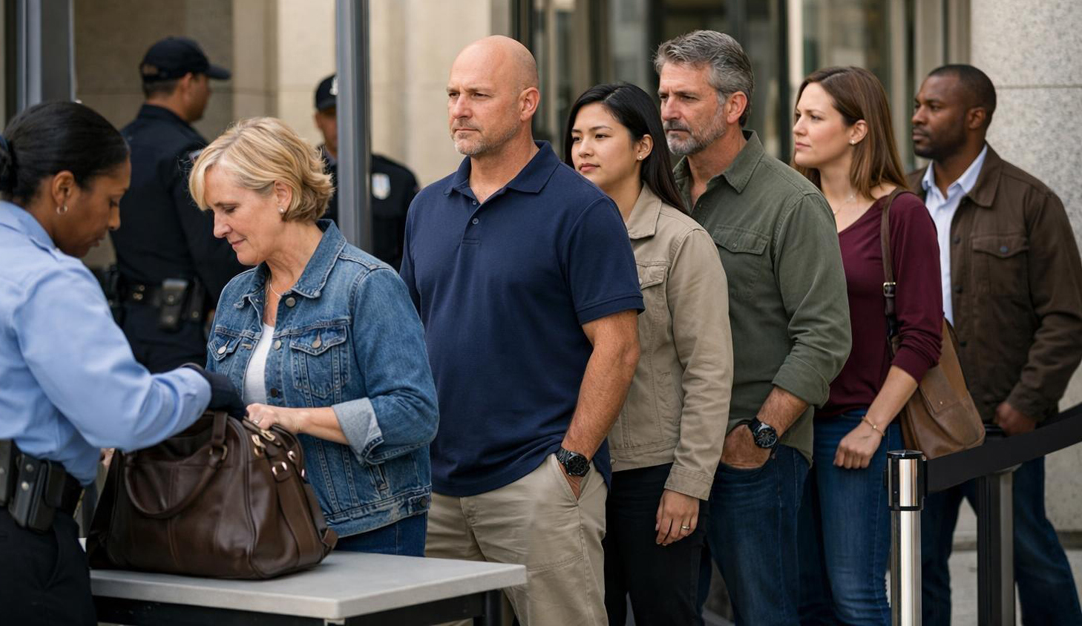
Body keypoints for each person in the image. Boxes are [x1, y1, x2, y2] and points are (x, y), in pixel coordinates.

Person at [0, 101, 242, 626]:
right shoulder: (50, 278)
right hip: (18, 538)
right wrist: (199, 384)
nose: (115, 221)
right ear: (62, 189)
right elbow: (122, 416)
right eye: (112, 200)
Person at [401, 36, 643, 625]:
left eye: (479, 95)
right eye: (454, 94)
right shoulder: (427, 207)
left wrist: (571, 465)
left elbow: (617, 347)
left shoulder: (581, 209)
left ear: (526, 102)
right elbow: (410, 333)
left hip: (538, 483)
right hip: (437, 487)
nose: (460, 108)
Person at [656, 30, 852, 624]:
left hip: (750, 454)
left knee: (764, 614)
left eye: (687, 97)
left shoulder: (792, 203)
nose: (668, 111)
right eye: (664, 95)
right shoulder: (653, 189)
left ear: (733, 105)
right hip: (662, 451)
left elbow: (825, 335)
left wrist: (761, 435)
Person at [190, 117, 439, 556]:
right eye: (213, 213)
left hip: (367, 531)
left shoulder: (366, 285)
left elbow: (415, 414)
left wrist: (297, 418)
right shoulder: (235, 296)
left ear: (281, 195)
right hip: (264, 529)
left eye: (229, 209)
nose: (218, 228)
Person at [909, 64, 1082, 626]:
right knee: (921, 561)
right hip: (919, 420)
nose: (917, 116)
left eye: (934, 106)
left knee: (1030, 554)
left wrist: (1027, 402)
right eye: (918, 104)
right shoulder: (901, 200)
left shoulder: (1031, 202)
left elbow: (1066, 315)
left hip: (1001, 424)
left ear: (975, 117)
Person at [564, 82, 733, 625]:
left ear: (642, 146)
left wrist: (688, 484)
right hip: (576, 462)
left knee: (668, 614)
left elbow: (709, 370)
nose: (583, 149)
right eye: (575, 137)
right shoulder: (560, 236)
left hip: (651, 471)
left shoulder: (682, 241)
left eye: (600, 135)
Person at [790, 66, 944, 625]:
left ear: (857, 130)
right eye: (798, 114)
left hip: (855, 425)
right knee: (806, 599)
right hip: (787, 424)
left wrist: (872, 426)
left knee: (856, 596)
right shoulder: (794, 206)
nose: (798, 128)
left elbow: (923, 337)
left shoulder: (900, 215)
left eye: (815, 117)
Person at [111, 36, 245, 373]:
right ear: (189, 82)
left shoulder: (119, 142)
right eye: (206, 82)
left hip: (129, 320)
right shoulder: (185, 152)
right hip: (178, 327)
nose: (209, 92)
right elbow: (210, 246)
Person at [314, 74, 420, 269]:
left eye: (348, 112)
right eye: (331, 114)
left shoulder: (398, 179)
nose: (341, 122)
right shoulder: (301, 177)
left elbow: (414, 252)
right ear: (317, 120)